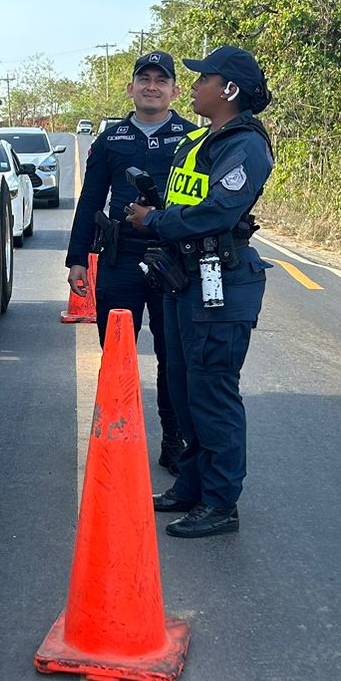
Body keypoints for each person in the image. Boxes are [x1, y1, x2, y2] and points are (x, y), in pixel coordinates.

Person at [125, 45, 274, 538]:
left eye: (202, 78)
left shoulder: (246, 145)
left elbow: (218, 211)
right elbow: (187, 196)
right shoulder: (202, 140)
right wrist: (155, 206)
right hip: (184, 279)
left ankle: (220, 503)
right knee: (185, 390)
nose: (192, 86)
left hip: (220, 285)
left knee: (212, 394)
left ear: (228, 89)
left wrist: (157, 221)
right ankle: (190, 485)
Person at [65, 51, 197, 472]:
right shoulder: (112, 140)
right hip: (121, 259)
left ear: (175, 90)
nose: (152, 86)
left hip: (173, 263)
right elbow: (90, 201)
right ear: (131, 88)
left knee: (172, 356)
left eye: (162, 80)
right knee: (117, 350)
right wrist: (78, 259)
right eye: (145, 79)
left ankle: (174, 440)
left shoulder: (191, 138)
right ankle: (120, 431)